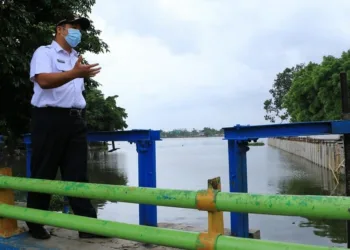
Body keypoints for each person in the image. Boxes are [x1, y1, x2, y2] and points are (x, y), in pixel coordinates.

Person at [26, 15, 105, 240]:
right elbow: (43, 80)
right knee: (44, 173)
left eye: (81, 29)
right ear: (60, 29)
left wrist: (77, 73)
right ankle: (36, 224)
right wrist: (75, 73)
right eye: (74, 27)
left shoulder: (76, 59)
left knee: (78, 175)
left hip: (76, 120)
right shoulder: (45, 53)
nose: (78, 32)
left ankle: (89, 227)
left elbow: (74, 92)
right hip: (49, 119)